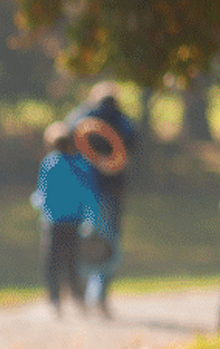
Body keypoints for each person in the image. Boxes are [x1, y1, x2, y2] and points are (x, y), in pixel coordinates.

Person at [65, 81, 140, 314]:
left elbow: (66, 135)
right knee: (110, 243)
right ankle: (101, 296)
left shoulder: (81, 116)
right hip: (112, 190)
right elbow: (134, 141)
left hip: (82, 189)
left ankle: (79, 295)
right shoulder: (122, 120)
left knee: (81, 241)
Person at [32, 121, 103, 318]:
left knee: (52, 264)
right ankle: (78, 300)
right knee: (74, 263)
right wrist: (92, 221)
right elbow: (90, 195)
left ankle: (55, 303)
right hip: (75, 222)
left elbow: (42, 195)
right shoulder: (82, 164)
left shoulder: (49, 163)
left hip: (53, 222)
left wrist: (37, 204)